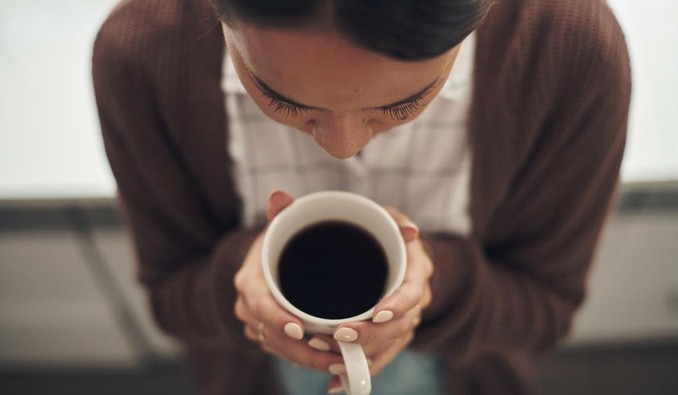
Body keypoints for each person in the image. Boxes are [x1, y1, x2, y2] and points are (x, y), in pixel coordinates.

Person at [92, 0, 631, 394]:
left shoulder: (572, 53)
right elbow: (169, 297)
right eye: (280, 99)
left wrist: (437, 288)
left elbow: (548, 308)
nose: (342, 149)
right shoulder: (140, 57)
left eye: (403, 103)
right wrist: (234, 283)